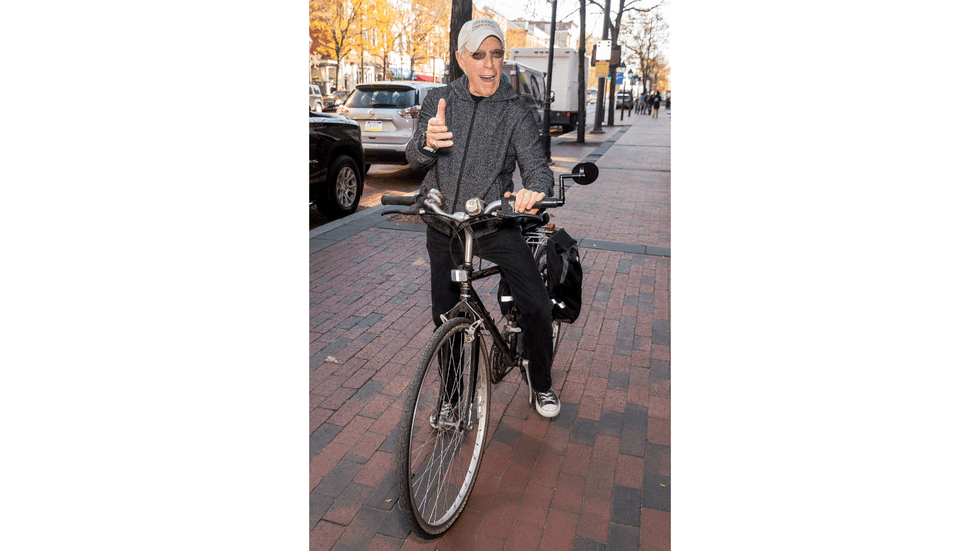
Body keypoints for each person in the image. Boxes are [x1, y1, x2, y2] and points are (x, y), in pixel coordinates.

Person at [405, 18, 561, 419]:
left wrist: (534, 189)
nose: (489, 64)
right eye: (479, 55)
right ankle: (454, 399)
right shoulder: (438, 100)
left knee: (537, 307)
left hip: (493, 223)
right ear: (461, 59)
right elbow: (415, 158)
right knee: (447, 317)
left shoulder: (515, 111)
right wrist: (426, 143)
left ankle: (540, 381)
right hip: (445, 226)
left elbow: (537, 168)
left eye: (496, 54)